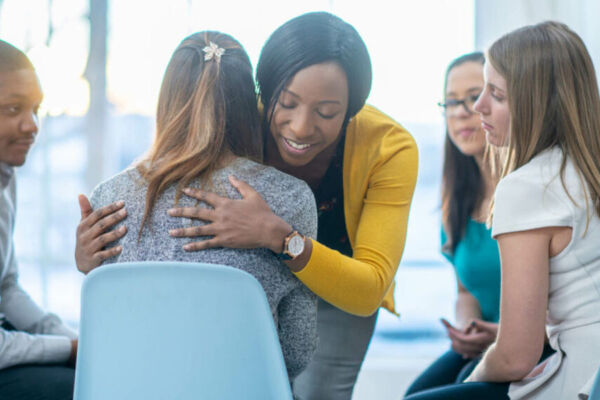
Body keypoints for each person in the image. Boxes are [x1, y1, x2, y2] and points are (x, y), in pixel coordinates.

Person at [75, 12, 418, 400]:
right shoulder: (233, 114)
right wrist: (89, 258)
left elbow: (369, 287)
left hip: (343, 286)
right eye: (286, 103)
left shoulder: (389, 147)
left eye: (327, 113)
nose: (302, 127)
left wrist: (281, 238)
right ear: (263, 91)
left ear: (352, 110)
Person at [84, 31, 318, 380]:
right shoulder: (291, 197)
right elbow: (296, 353)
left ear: (167, 100)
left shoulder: (109, 196)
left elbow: (107, 333)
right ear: (247, 103)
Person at [406, 21, 600, 400]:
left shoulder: (525, 186)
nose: (476, 109)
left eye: (492, 93)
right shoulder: (581, 170)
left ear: (536, 103)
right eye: (454, 101)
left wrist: (472, 379)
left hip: (577, 377)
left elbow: (515, 356)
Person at [405, 52, 502, 395]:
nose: (461, 111)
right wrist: (467, 328)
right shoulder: (457, 200)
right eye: (450, 102)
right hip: (484, 343)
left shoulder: (528, 194)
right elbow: (465, 292)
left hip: (534, 345)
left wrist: (501, 332)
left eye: (474, 97)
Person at [0, 40, 78, 399]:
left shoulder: (6, 177)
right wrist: (68, 350)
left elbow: (6, 289)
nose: (32, 125)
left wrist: (70, 338)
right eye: (14, 108)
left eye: (35, 109)